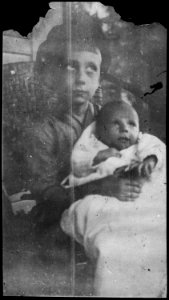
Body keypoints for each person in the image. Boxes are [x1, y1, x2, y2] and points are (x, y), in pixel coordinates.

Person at [25, 22, 143, 228]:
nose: (81, 79)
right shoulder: (43, 129)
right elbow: (45, 193)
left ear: (99, 79)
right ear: (54, 74)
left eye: (91, 70)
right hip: (59, 218)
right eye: (71, 67)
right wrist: (100, 188)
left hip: (112, 207)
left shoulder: (108, 117)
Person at [60, 100, 166, 297]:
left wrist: (150, 160)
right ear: (100, 131)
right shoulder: (94, 148)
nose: (125, 129)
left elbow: (158, 148)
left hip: (143, 199)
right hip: (108, 203)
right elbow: (76, 173)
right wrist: (98, 157)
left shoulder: (142, 145)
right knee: (114, 241)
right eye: (116, 124)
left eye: (131, 124)